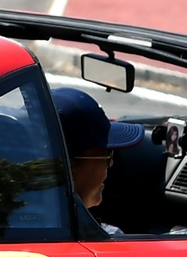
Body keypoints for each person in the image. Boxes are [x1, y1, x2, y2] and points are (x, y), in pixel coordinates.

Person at [53, 87, 141, 230]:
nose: (111, 164)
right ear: (69, 166)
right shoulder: (104, 241)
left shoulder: (11, 211)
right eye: (107, 154)